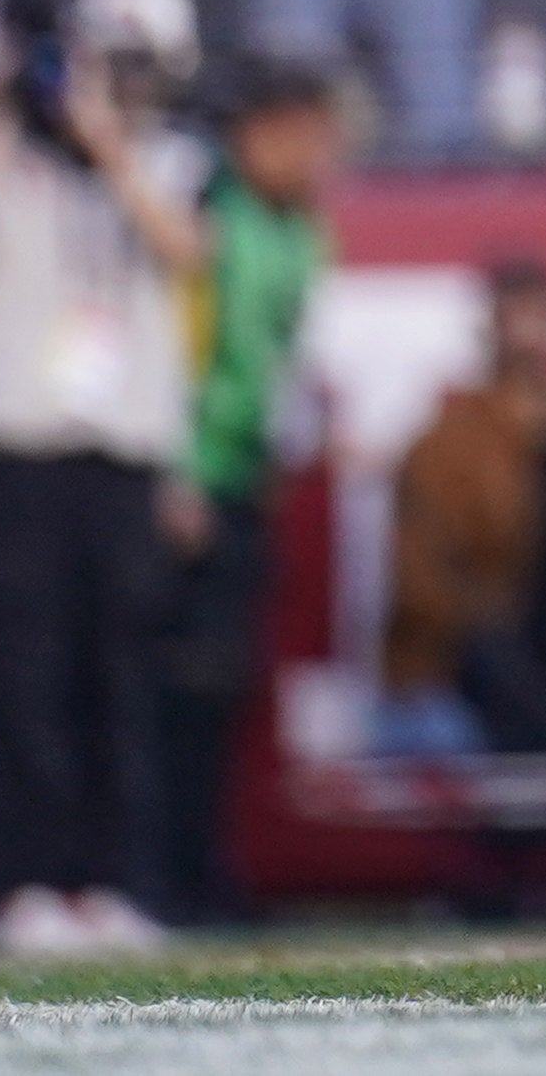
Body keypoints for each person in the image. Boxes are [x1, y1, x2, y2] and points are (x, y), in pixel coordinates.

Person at [0, 0, 211, 955]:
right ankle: (20, 886)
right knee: (18, 684)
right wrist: (6, 115)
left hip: (120, 454)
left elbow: (184, 251)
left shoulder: (169, 161)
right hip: (16, 449)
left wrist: (108, 144)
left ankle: (110, 882)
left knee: (114, 683)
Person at [154, 55, 343, 925]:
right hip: (187, 479)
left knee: (224, 685)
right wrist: (175, 469)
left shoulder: (303, 229)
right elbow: (168, 348)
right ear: (255, 131)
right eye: (305, 130)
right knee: (174, 686)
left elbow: (277, 359)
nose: (322, 151)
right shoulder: (206, 215)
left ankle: (196, 867)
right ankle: (155, 873)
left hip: (243, 476)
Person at [378, 262, 546, 756]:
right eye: (516, 317)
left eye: (542, 318)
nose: (531, 338)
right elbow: (423, 589)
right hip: (476, 672)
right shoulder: (452, 441)